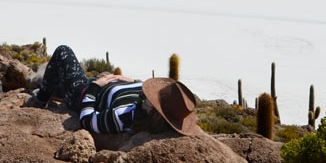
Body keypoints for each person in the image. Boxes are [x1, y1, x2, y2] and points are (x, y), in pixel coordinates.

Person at [29, 45, 199, 136]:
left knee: (63, 52)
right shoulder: (146, 107)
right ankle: (50, 86)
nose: (150, 94)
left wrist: (96, 87)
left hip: (84, 92)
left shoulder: (122, 117)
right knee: (60, 77)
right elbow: (140, 91)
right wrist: (132, 81)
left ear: (152, 111)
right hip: (103, 85)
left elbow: (88, 120)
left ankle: (41, 99)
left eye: (153, 98)